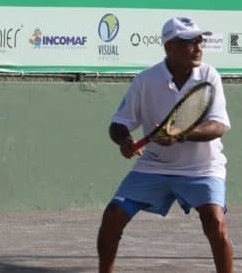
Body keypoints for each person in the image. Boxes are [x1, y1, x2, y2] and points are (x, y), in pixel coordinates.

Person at [97, 16, 233, 273]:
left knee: (214, 223)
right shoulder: (146, 80)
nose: (198, 47)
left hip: (202, 168)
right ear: (169, 47)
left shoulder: (209, 75)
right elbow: (118, 123)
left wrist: (180, 134)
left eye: (199, 41)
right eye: (189, 43)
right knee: (112, 216)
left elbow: (218, 126)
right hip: (153, 166)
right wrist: (125, 141)